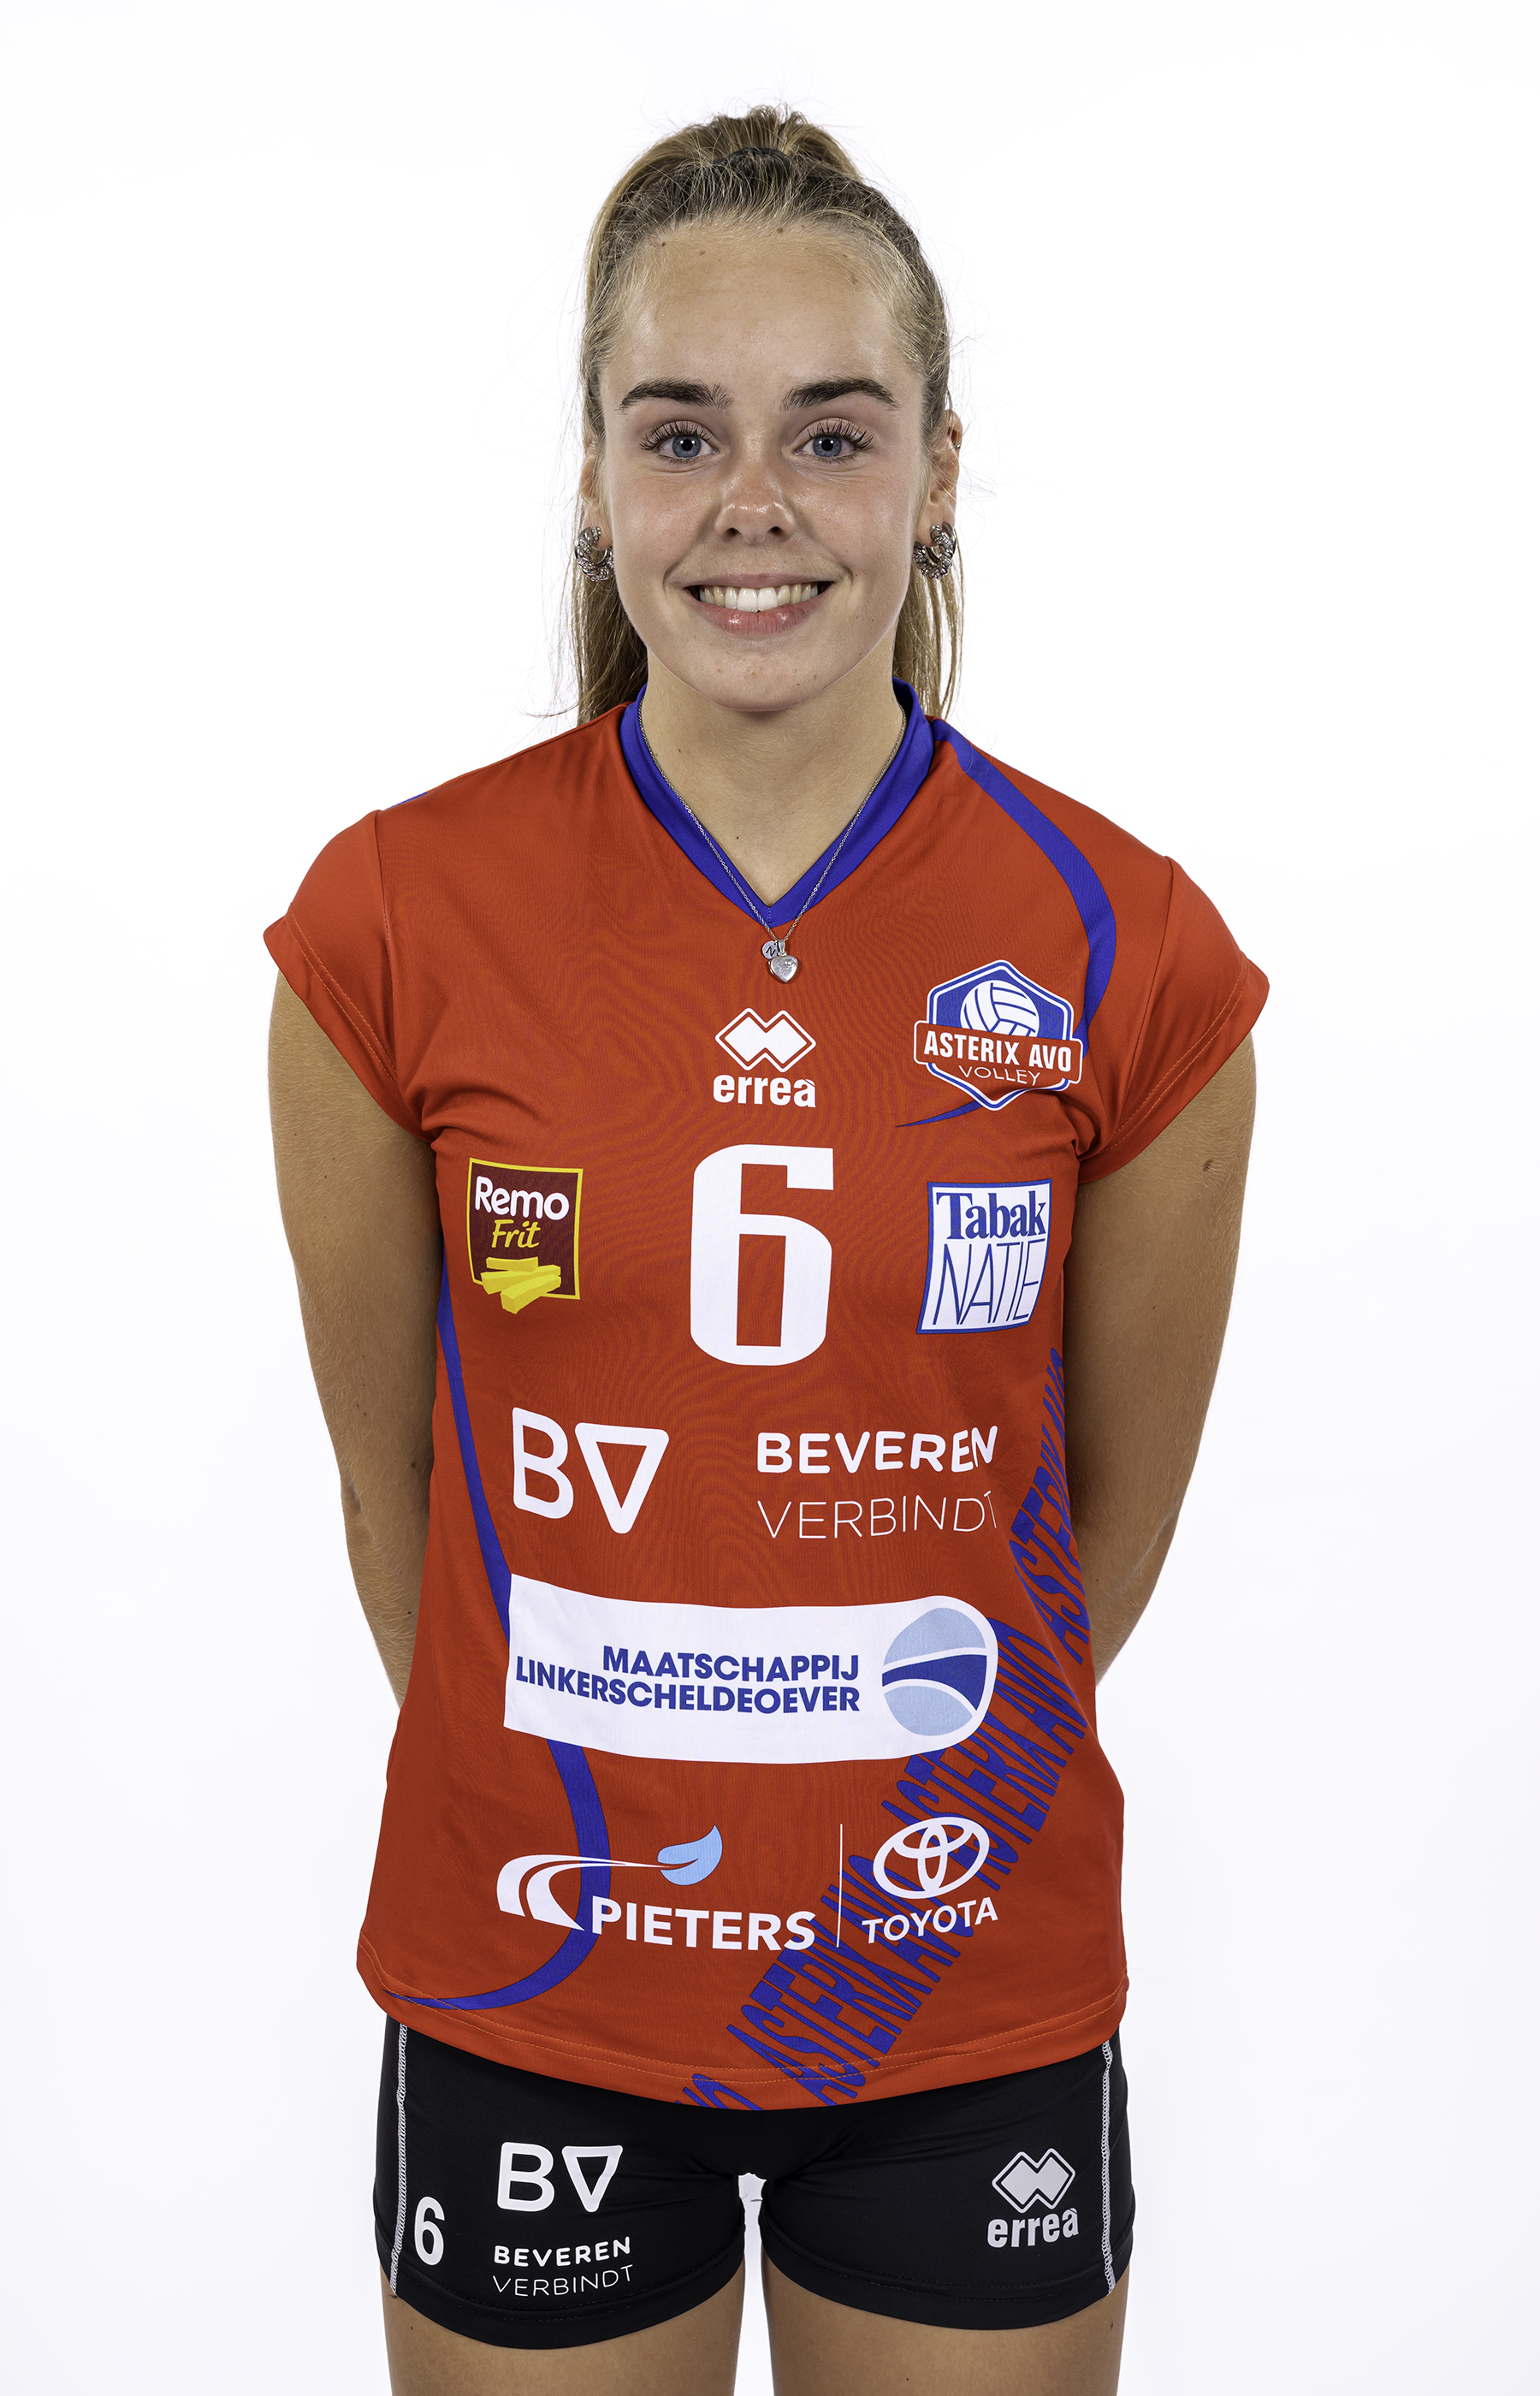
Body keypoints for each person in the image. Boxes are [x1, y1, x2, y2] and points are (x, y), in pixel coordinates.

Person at [267, 106, 1265, 2396]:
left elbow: (1100, 1524)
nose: (755, 502)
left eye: (831, 431)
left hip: (953, 1971)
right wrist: (598, 1789)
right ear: (594, 478)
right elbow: (394, 1494)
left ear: (935, 472)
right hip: (542, 1967)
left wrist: (884, 1785)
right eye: (679, 432)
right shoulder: (392, 921)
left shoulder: (1129, 945)